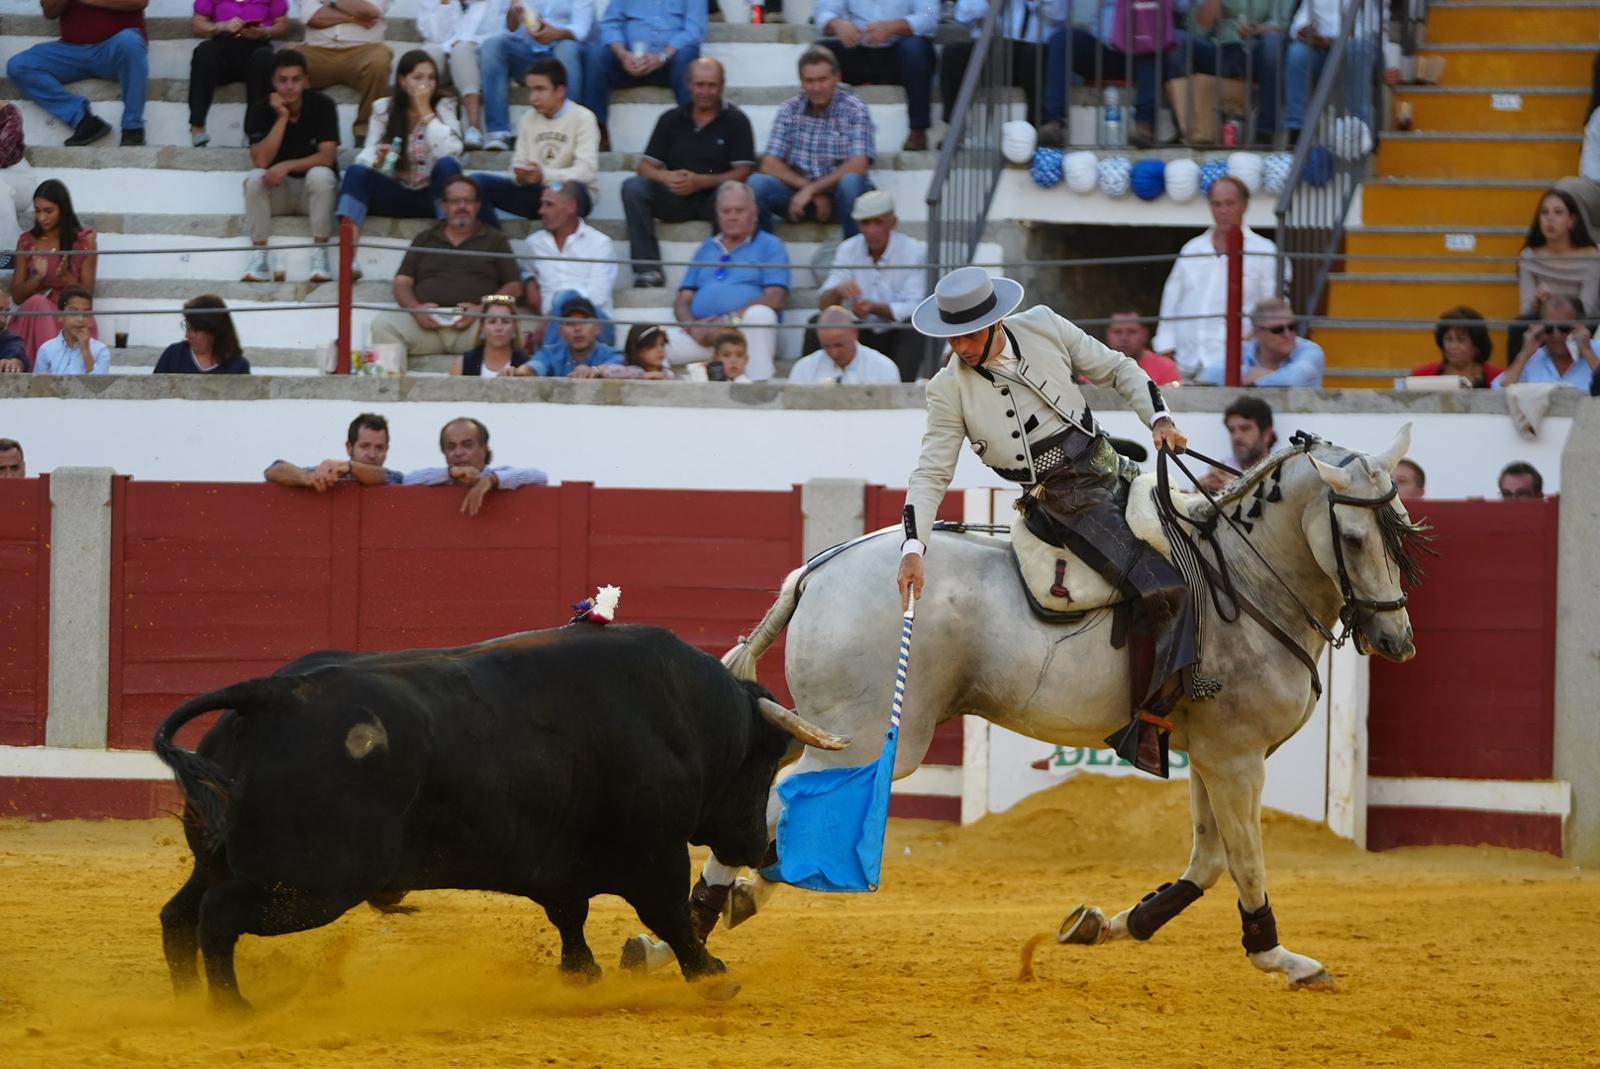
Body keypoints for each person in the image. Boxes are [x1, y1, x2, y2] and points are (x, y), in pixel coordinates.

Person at [897, 267, 1191, 778]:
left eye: (969, 334)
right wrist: (913, 547)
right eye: (953, 337)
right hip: (1060, 502)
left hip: (1113, 469)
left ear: (996, 321)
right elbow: (931, 470)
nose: (962, 348)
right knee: (1161, 586)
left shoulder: (1044, 325)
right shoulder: (948, 388)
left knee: (1202, 549)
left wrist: (1159, 418)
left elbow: (1120, 369)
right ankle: (1147, 722)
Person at [622, 57, 755, 288]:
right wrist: (666, 177)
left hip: (713, 198)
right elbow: (644, 167)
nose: (705, 91)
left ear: (722, 86)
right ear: (688, 85)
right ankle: (648, 270)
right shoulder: (670, 119)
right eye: (699, 84)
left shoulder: (736, 121)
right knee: (633, 187)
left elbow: (743, 171)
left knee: (731, 192)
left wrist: (701, 182)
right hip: (674, 195)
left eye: (711, 85)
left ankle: (720, 268)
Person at [370, 176, 523, 359]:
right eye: (455, 201)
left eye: (468, 201)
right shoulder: (424, 239)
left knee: (503, 327)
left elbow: (515, 287)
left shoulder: (495, 240)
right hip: (425, 324)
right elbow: (402, 283)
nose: (462, 207)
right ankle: (390, 387)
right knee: (383, 325)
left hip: (474, 325)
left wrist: (483, 307)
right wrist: (415, 308)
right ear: (444, 206)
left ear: (478, 205)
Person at [335, 50, 465, 260]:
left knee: (448, 166)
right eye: (418, 77)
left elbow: (452, 149)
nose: (426, 84)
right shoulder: (384, 109)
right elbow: (366, 155)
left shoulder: (444, 107)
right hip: (395, 193)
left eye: (431, 78)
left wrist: (425, 111)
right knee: (356, 172)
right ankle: (349, 259)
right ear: (403, 82)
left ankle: (449, 251)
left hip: (432, 197)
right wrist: (378, 159)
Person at [1152, 176, 1284, 381]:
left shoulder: (1265, 251)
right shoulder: (1192, 249)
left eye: (1230, 203)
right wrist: (1166, 348)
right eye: (1216, 204)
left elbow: (1273, 308)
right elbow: (1171, 300)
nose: (1223, 210)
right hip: (1186, 361)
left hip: (1235, 362)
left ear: (1244, 206)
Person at [664, 181, 789, 382]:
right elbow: (683, 298)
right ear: (717, 214)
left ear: (754, 212)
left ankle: (758, 387)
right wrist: (692, 326)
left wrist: (727, 322)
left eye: (739, 210)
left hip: (745, 334)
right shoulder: (706, 247)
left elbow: (776, 298)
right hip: (705, 335)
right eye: (726, 211)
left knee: (761, 315)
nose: (732, 216)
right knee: (653, 341)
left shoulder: (770, 245)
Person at [749, 47, 876, 241]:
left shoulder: (855, 108)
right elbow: (769, 164)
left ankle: (856, 259)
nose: (816, 87)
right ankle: (764, 257)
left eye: (822, 80)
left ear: (837, 78)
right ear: (801, 82)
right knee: (756, 184)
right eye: (809, 81)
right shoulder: (789, 109)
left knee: (851, 183)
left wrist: (812, 189)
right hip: (798, 196)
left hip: (841, 195)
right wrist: (809, 190)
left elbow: (859, 165)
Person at [808, 189, 928, 381]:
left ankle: (902, 390)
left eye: (878, 222)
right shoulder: (848, 249)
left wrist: (875, 308)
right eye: (866, 223)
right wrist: (837, 292)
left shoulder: (914, 251)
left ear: (893, 222)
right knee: (817, 321)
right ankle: (814, 384)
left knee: (913, 329)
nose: (871, 231)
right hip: (859, 331)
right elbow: (825, 304)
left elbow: (917, 306)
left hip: (895, 332)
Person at [243, 49, 340, 284]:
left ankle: (320, 254)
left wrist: (286, 165)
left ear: (306, 81)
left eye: (296, 80)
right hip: (279, 192)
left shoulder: (323, 105)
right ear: (273, 83)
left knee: (320, 174)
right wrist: (282, 117)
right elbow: (262, 161)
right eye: (283, 80)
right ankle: (260, 255)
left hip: (314, 196)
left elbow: (327, 156)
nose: (289, 87)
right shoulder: (259, 109)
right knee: (254, 178)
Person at [1038, 1, 1182, 148]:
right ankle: (1053, 122)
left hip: (1141, 50)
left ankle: (1144, 126)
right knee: (1062, 39)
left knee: (1152, 49)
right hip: (1102, 49)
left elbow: (1182, 6)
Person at [5, 0, 149, 147]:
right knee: (19, 66)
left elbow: (139, 2)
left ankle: (133, 128)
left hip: (113, 49)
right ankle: (83, 120)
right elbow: (50, 12)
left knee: (130, 42)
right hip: (71, 51)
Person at [474, 57, 599, 221]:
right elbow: (518, 164)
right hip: (536, 191)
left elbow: (586, 171)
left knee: (571, 188)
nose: (533, 97)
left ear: (560, 91)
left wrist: (544, 175)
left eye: (540, 89)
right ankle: (495, 242)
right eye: (531, 90)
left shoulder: (583, 117)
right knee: (476, 184)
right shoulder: (527, 119)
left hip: (568, 190)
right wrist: (521, 177)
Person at [813, 0, 937, 151]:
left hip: (900, 53)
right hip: (859, 50)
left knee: (916, 49)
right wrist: (837, 23)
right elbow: (823, 11)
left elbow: (929, 14)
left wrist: (896, 26)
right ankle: (818, 126)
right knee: (820, 54)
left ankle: (918, 130)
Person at [583, 0, 706, 150]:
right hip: (628, 62)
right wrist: (623, 54)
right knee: (597, 54)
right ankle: (597, 130)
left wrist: (662, 56)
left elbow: (695, 31)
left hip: (669, 63)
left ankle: (691, 129)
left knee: (687, 55)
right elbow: (610, 24)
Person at [477, 0, 592, 150]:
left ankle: (569, 126)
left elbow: (582, 29)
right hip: (528, 52)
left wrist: (557, 34)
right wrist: (513, 13)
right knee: (492, 46)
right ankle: (498, 132)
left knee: (566, 48)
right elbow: (509, 30)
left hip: (563, 50)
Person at [515, 180, 615, 343]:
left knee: (565, 296)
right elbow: (526, 270)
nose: (541, 211)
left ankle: (546, 357)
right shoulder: (533, 243)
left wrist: (554, 313)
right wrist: (529, 281)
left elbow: (597, 297)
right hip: (554, 329)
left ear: (571, 207)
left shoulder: (600, 244)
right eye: (542, 204)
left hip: (594, 325)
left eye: (549, 205)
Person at [1284, 0, 1398, 142]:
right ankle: (1297, 130)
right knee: (1297, 54)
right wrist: (1304, 31)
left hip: (1360, 47)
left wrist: (1332, 42)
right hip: (1321, 48)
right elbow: (1298, 23)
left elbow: (1369, 31)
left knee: (1355, 51)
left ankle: (1362, 130)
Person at [10, 179, 98, 361]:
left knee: (45, 307)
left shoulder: (84, 241)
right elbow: (17, 296)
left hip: (71, 313)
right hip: (36, 317)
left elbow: (88, 295)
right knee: (38, 303)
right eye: (38, 211)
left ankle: (56, 364)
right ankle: (51, 364)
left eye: (49, 211)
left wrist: (67, 279)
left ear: (63, 210)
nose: (42, 217)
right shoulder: (27, 241)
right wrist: (37, 279)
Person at [942, 0, 1063, 130]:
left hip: (1032, 49)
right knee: (952, 53)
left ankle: (1035, 129)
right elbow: (963, 15)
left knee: (1034, 56)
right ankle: (953, 127)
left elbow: (1059, 13)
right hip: (995, 49)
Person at [188, 0, 288, 148]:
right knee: (204, 51)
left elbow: (283, 25)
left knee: (265, 57)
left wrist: (265, 32)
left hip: (256, 48)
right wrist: (220, 27)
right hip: (223, 47)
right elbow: (197, 24)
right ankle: (197, 127)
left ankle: (252, 132)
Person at [1185, 0, 1287, 144]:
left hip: (1257, 50)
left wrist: (1256, 30)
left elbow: (1281, 25)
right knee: (1180, 41)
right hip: (1219, 48)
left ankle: (1264, 132)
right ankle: (1186, 127)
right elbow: (1197, 30)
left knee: (1272, 45)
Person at [404, 416, 549, 516]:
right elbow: (406, 480)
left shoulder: (496, 475)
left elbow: (540, 477)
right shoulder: (441, 478)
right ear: (444, 451)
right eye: (451, 447)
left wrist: (491, 480)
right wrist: (450, 472)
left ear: (484, 448)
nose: (458, 453)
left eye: (467, 445)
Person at [295, 0, 393, 141]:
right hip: (317, 51)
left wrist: (332, 2)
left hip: (364, 51)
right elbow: (312, 17)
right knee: (290, 59)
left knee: (380, 61)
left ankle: (366, 132)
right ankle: (298, 131)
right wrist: (353, 17)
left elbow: (370, 12)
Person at [1196, 297, 1324, 386]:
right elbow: (1210, 374)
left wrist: (1248, 378)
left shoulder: (1310, 350)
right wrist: (1247, 373)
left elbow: (1293, 379)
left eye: (1292, 327)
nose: (1288, 334)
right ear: (1257, 333)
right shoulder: (1244, 350)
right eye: (1278, 329)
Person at [1517, 188, 1600, 322]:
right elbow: (1526, 312)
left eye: (1558, 212)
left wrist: (1554, 303)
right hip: (1544, 326)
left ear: (1572, 220)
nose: (1550, 219)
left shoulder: (1592, 257)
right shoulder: (1529, 257)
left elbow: (1587, 310)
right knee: (1518, 329)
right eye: (1544, 212)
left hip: (1580, 327)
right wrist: (1537, 303)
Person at [264, 412, 404, 489]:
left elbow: (385, 476)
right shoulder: (331, 474)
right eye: (365, 446)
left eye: (379, 447)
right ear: (349, 448)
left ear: (387, 450)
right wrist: (306, 477)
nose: (372, 455)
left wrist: (349, 467)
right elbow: (273, 469)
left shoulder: (394, 479)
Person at [1496, 294, 1600, 389]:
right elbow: (1500, 392)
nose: (1556, 335)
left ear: (1581, 327)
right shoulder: (1532, 359)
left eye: (1564, 328)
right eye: (1549, 329)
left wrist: (1588, 353)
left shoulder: (1597, 351)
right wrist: (1524, 354)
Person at [788, 305, 901, 384]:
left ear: (855, 333)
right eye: (826, 346)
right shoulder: (804, 369)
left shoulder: (883, 368)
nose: (834, 353)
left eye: (839, 345)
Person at [153, 295, 252, 374]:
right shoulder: (173, 355)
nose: (188, 335)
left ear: (214, 330)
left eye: (195, 329)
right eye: (187, 327)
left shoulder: (238, 366)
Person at [529, 295, 623, 377]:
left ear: (598, 328)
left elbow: (617, 363)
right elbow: (537, 364)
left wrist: (595, 370)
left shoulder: (612, 354)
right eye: (570, 323)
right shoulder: (550, 353)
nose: (577, 328)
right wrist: (527, 370)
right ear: (561, 331)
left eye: (584, 322)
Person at [1199, 394, 1276, 491]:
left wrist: (1236, 486)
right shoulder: (1221, 468)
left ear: (1266, 434)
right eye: (1232, 430)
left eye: (1245, 429)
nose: (1236, 437)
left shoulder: (1281, 470)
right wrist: (1202, 486)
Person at [1411, 305, 1501, 387]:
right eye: (1448, 339)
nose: (1453, 346)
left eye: (1461, 340)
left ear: (1477, 344)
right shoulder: (1421, 376)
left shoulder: (1498, 378)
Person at [32, 288, 109, 374]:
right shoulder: (46, 350)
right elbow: (39, 385)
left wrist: (86, 350)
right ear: (60, 316)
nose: (80, 319)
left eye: (86, 313)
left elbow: (99, 385)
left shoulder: (100, 350)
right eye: (73, 312)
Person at [452, 294, 533, 376]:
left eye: (505, 321)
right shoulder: (463, 363)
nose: (499, 328)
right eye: (492, 321)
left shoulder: (527, 366)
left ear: (514, 327)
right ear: (482, 327)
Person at [1104, 310, 1182, 385]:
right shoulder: (1095, 367)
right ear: (1107, 334)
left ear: (1144, 334)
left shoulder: (1166, 369)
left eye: (1132, 331)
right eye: (1117, 332)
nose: (1124, 338)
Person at [596, 322, 675, 379]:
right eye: (652, 346)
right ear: (636, 350)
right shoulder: (629, 370)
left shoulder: (667, 373)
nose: (660, 350)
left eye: (662, 345)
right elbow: (605, 371)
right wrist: (643, 375)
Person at [0, 296, 30, 373]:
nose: (3, 319)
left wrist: (14, 363)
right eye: (0, 310)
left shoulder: (10, 340)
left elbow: (17, 354)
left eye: (6, 311)